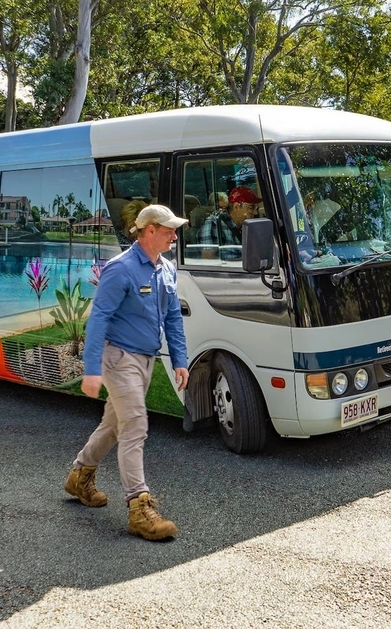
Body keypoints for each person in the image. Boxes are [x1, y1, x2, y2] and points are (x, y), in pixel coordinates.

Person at [64, 204, 190, 541]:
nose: (174, 236)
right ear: (149, 231)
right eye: (169, 231)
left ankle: (79, 476)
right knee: (135, 424)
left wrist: (180, 359)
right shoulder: (120, 270)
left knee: (114, 425)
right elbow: (99, 319)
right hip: (119, 359)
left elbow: (173, 318)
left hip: (146, 360)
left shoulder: (166, 269)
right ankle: (139, 506)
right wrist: (91, 369)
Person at [196, 185, 260, 256]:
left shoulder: (247, 227)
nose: (255, 212)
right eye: (251, 208)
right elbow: (208, 261)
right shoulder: (214, 224)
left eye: (256, 208)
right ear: (236, 207)